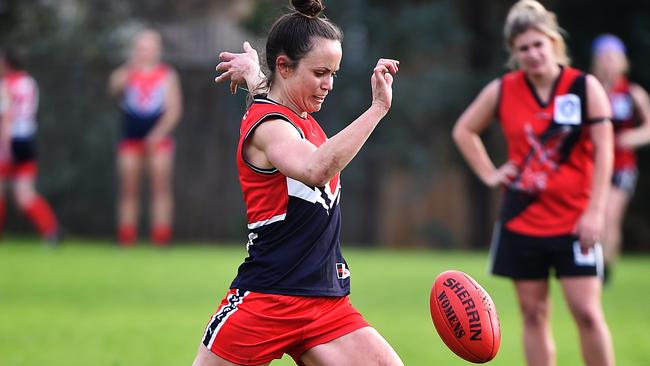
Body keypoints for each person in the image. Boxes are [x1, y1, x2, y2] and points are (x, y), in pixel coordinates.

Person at [191, 1, 403, 365]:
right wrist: (377, 109)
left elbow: (273, 93)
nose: (328, 84)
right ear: (284, 67)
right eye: (320, 72)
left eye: (334, 73)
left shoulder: (296, 114)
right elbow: (314, 167)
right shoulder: (270, 127)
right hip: (267, 299)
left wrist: (255, 74)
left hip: (326, 303)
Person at [452, 1, 615, 365]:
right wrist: (490, 173)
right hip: (522, 220)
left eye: (538, 44)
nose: (532, 53)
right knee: (533, 313)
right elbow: (464, 130)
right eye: (523, 48)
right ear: (514, 53)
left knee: (587, 313)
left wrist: (596, 211)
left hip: (576, 221)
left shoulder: (584, 87)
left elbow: (606, 152)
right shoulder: (504, 89)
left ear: (554, 43)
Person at [108, 29, 182, 247]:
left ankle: (161, 238)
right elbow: (113, 88)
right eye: (140, 48)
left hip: (158, 140)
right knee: (128, 189)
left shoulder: (167, 75)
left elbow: (174, 110)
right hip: (130, 138)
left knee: (160, 189)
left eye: (148, 47)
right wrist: (131, 66)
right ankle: (126, 237)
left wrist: (157, 134)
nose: (144, 52)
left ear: (157, 50)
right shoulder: (127, 73)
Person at [591, 34, 650, 283]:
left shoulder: (633, 93)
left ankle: (605, 270)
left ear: (622, 61)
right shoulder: (591, 90)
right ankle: (593, 266)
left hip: (622, 166)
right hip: (594, 165)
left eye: (612, 58)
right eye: (603, 58)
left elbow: (648, 128)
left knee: (609, 216)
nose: (608, 63)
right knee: (597, 215)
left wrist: (630, 138)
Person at [0, 47, 60, 244]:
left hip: (10, 140)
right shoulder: (29, 82)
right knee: (25, 194)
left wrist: (5, 144)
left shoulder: (6, 84)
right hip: (27, 140)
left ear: (7, 62)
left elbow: (7, 115)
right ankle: (50, 230)